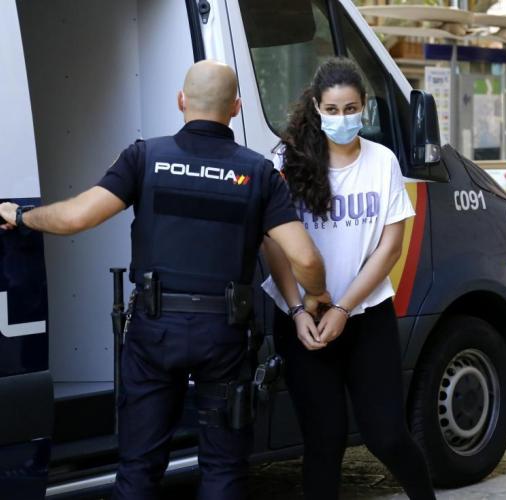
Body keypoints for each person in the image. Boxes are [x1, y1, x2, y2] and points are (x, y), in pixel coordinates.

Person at [0, 60, 330, 500]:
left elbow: (77, 217)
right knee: (223, 469)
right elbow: (304, 257)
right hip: (223, 334)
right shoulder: (258, 172)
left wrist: (22, 215)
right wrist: (315, 296)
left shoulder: (144, 157)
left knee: (139, 468)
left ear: (181, 101)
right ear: (236, 107)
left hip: (155, 331)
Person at [260, 58, 436, 500]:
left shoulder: (382, 161)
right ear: (317, 108)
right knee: (324, 441)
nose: (342, 118)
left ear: (364, 108)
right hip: (303, 322)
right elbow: (274, 244)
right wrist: (297, 309)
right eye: (333, 110)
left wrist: (343, 307)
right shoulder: (285, 161)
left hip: (367, 317)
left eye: (351, 109)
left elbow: (390, 248)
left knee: (387, 436)